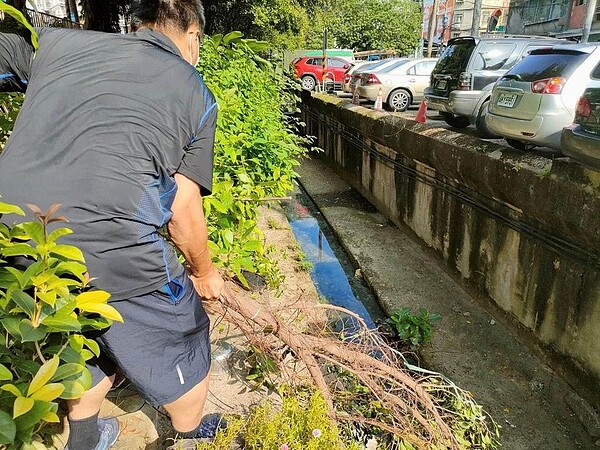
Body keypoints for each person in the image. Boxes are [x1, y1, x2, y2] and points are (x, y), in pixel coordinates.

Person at [0, 1, 229, 449]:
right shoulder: (195, 91)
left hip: (18, 237)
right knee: (184, 337)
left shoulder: (59, 44)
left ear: (137, 22)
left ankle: (84, 438)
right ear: (193, 35)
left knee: (82, 328)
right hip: (116, 244)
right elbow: (183, 210)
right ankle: (190, 434)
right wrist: (203, 272)